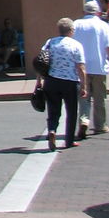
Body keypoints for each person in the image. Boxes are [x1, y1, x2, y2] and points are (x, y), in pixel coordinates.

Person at [37, 17, 86, 151]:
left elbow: (41, 62)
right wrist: (83, 85)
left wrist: (39, 81)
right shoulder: (76, 45)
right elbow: (80, 67)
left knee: (53, 109)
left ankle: (52, 130)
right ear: (70, 30)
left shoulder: (50, 42)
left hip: (51, 80)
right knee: (71, 111)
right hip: (69, 82)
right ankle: (69, 140)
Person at [73, 0, 109, 137]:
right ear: (98, 12)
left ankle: (84, 120)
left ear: (84, 11)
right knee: (100, 98)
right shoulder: (103, 25)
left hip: (82, 67)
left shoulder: (76, 24)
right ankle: (100, 125)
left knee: (83, 97)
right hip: (99, 66)